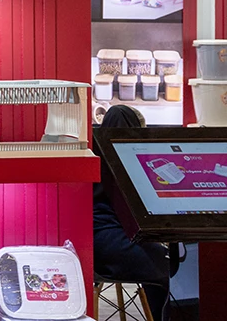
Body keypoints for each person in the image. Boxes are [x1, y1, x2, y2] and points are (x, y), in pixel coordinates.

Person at [94, 105, 170, 321]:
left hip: (96, 241)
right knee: (165, 265)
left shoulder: (94, 155)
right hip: (110, 243)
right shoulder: (127, 162)